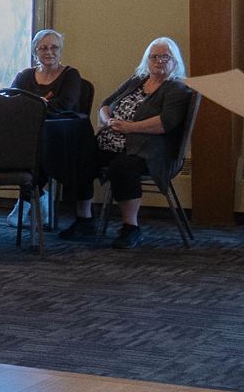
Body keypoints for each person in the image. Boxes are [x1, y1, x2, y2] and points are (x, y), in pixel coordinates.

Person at [93, 38, 195, 250]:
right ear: (147, 60)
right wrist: (107, 120)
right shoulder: (136, 80)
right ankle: (83, 220)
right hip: (114, 141)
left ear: (175, 61)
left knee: (122, 168)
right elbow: (105, 105)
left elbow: (165, 123)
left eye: (165, 57)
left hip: (152, 150)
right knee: (80, 155)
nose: (159, 61)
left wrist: (130, 127)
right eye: (154, 57)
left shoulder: (177, 88)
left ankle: (131, 228)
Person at [11, 30, 102, 237]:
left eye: (54, 47)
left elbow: (65, 104)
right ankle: (36, 193)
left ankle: (40, 196)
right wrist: (41, 104)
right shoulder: (24, 76)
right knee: (18, 146)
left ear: (60, 51)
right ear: (35, 51)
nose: (49, 52)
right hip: (28, 134)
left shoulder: (71, 75)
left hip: (66, 138)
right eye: (43, 48)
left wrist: (33, 104)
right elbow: (13, 103)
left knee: (68, 153)